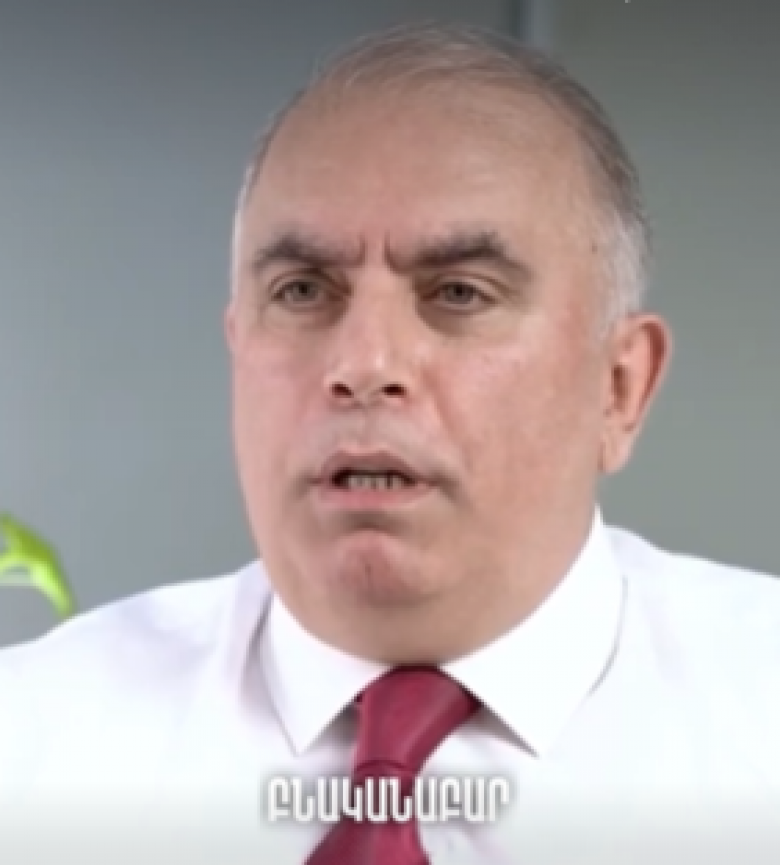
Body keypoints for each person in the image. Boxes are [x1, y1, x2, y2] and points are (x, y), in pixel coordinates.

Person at [1, 22, 779, 865]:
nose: (363, 364)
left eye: (460, 292)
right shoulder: (32, 742)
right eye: (303, 290)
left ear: (620, 389)